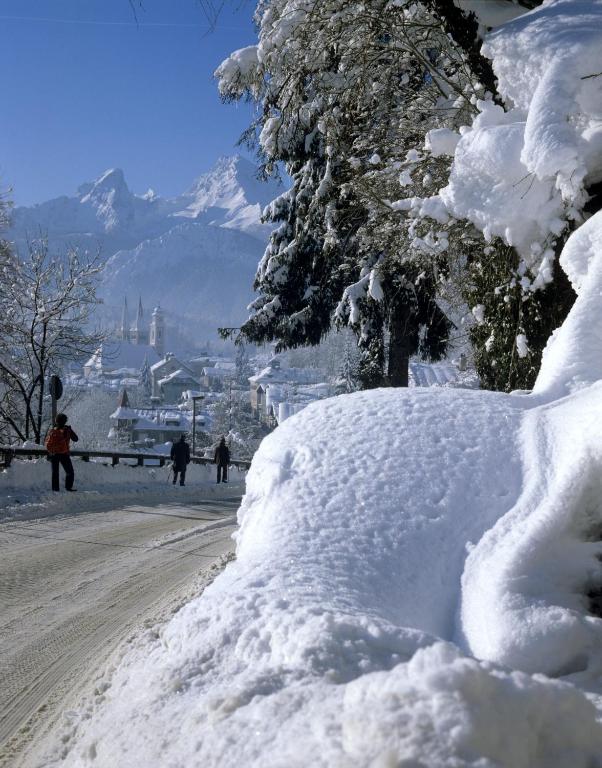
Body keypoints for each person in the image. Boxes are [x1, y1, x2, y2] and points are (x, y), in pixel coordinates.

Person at [45, 413, 79, 492]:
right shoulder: (67, 430)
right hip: (64, 454)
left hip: (54, 454)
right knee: (70, 471)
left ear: (56, 421)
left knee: (55, 473)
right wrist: (70, 431)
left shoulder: (53, 430)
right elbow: (76, 439)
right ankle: (68, 487)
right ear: (65, 421)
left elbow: (48, 443)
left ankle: (55, 489)